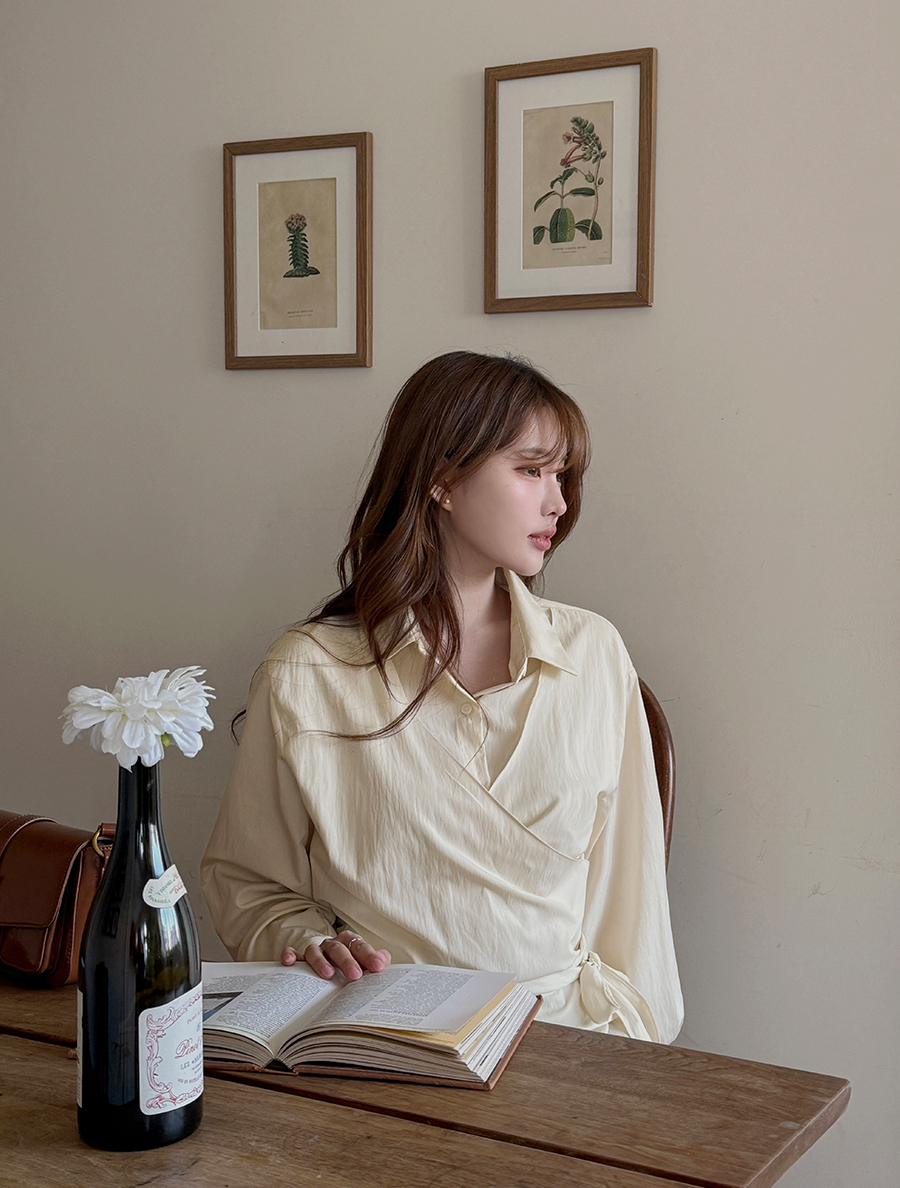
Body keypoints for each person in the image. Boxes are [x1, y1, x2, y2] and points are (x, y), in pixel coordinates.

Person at [201, 350, 683, 1042]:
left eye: (562, 475)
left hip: (564, 1038)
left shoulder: (594, 654)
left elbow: (630, 908)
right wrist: (308, 940)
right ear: (442, 480)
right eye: (531, 470)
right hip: (379, 1041)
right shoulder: (309, 671)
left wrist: (635, 1057)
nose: (558, 502)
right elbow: (249, 884)